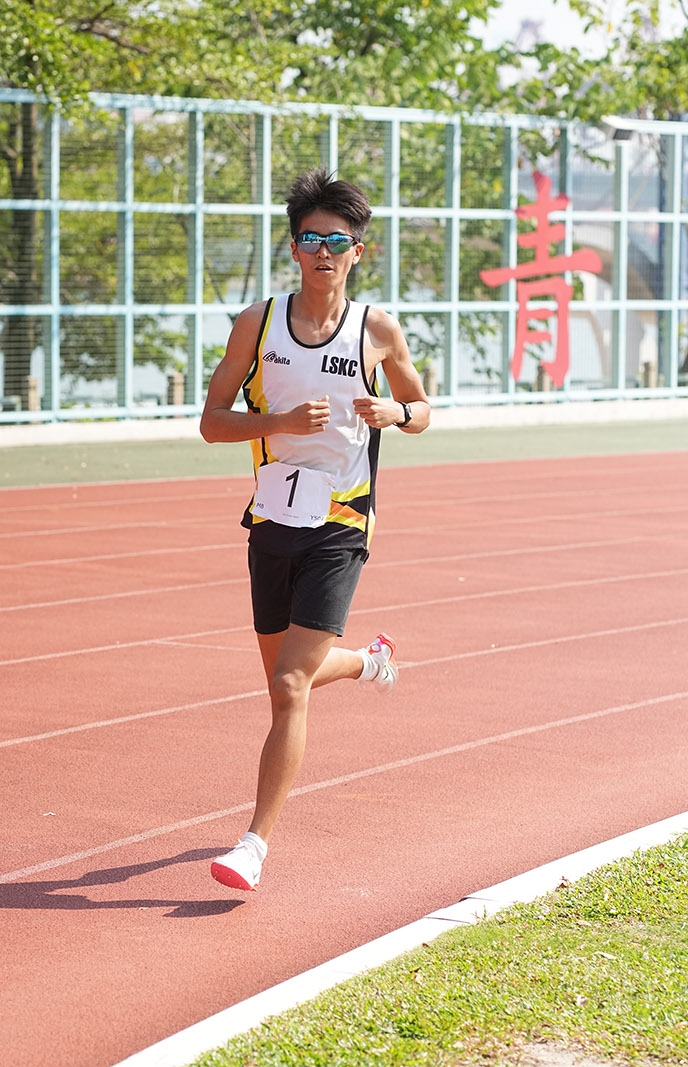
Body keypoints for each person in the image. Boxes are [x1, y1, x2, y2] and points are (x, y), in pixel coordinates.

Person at [198, 167, 431, 892]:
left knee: (290, 683)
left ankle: (253, 845)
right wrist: (280, 423)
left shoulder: (376, 330)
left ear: (358, 251)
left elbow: (422, 408)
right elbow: (212, 423)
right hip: (273, 516)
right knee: (283, 677)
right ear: (293, 247)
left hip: (341, 521)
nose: (322, 252)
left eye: (336, 241)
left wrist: (395, 413)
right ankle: (366, 661)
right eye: (309, 239)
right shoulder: (258, 324)